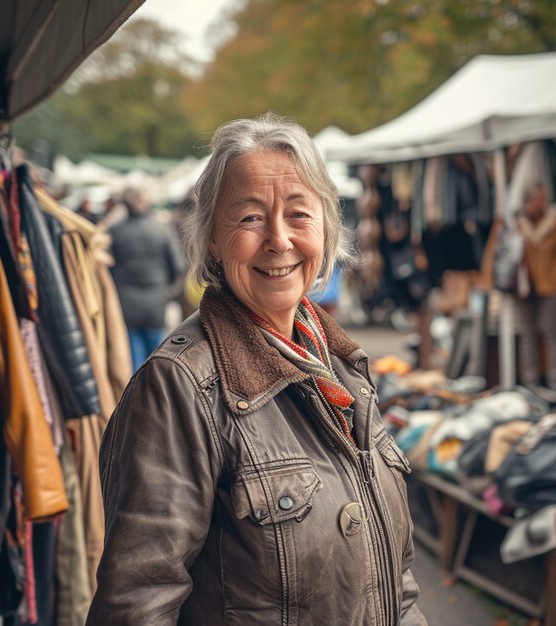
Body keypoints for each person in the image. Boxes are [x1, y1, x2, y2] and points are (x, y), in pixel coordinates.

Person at [87, 115, 426, 625]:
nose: (278, 239)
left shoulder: (340, 368)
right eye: (249, 218)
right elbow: (136, 607)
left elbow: (395, 585)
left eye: (298, 214)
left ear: (326, 229)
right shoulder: (180, 388)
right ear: (214, 241)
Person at [483, 183, 556, 389]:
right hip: (521, 287)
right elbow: (497, 252)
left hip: (548, 285)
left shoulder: (553, 221)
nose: (538, 206)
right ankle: (531, 384)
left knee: (551, 334)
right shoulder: (514, 222)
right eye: (535, 201)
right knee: (528, 336)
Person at [108, 187, 184, 370]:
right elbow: (178, 266)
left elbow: (107, 268)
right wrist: (168, 290)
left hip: (125, 300)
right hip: (155, 299)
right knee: (156, 357)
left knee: (133, 357)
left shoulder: (115, 231)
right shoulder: (162, 230)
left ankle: (134, 394)